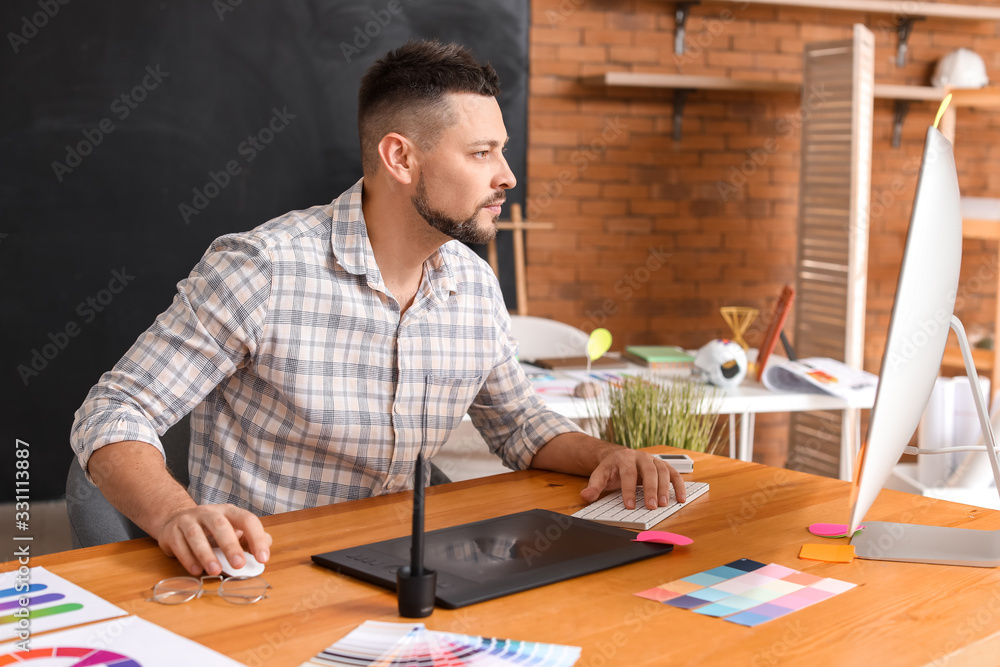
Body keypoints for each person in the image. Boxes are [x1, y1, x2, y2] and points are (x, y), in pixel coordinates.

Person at [70, 40, 685, 578]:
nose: (508, 176)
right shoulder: (261, 268)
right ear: (400, 158)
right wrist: (178, 513)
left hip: (410, 567)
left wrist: (609, 457)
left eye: (502, 152)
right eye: (481, 153)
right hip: (264, 576)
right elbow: (113, 411)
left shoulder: (472, 285)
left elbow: (519, 425)